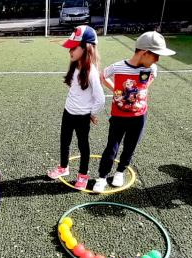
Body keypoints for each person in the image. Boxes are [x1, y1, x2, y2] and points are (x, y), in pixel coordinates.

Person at [92, 31, 175, 193]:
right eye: (156, 55)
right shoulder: (118, 67)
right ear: (144, 52)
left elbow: (145, 85)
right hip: (118, 117)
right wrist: (116, 90)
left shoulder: (152, 69)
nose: (157, 60)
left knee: (130, 146)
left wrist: (136, 96)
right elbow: (102, 76)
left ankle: (120, 172)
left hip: (139, 117)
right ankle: (102, 177)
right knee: (112, 147)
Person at [47, 25, 105, 190]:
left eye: (73, 47)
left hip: (82, 116)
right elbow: (75, 89)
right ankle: (63, 168)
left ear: (86, 48)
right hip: (68, 112)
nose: (69, 51)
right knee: (64, 141)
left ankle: (83, 175)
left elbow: (100, 99)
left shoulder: (91, 72)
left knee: (83, 145)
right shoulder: (75, 65)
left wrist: (91, 113)